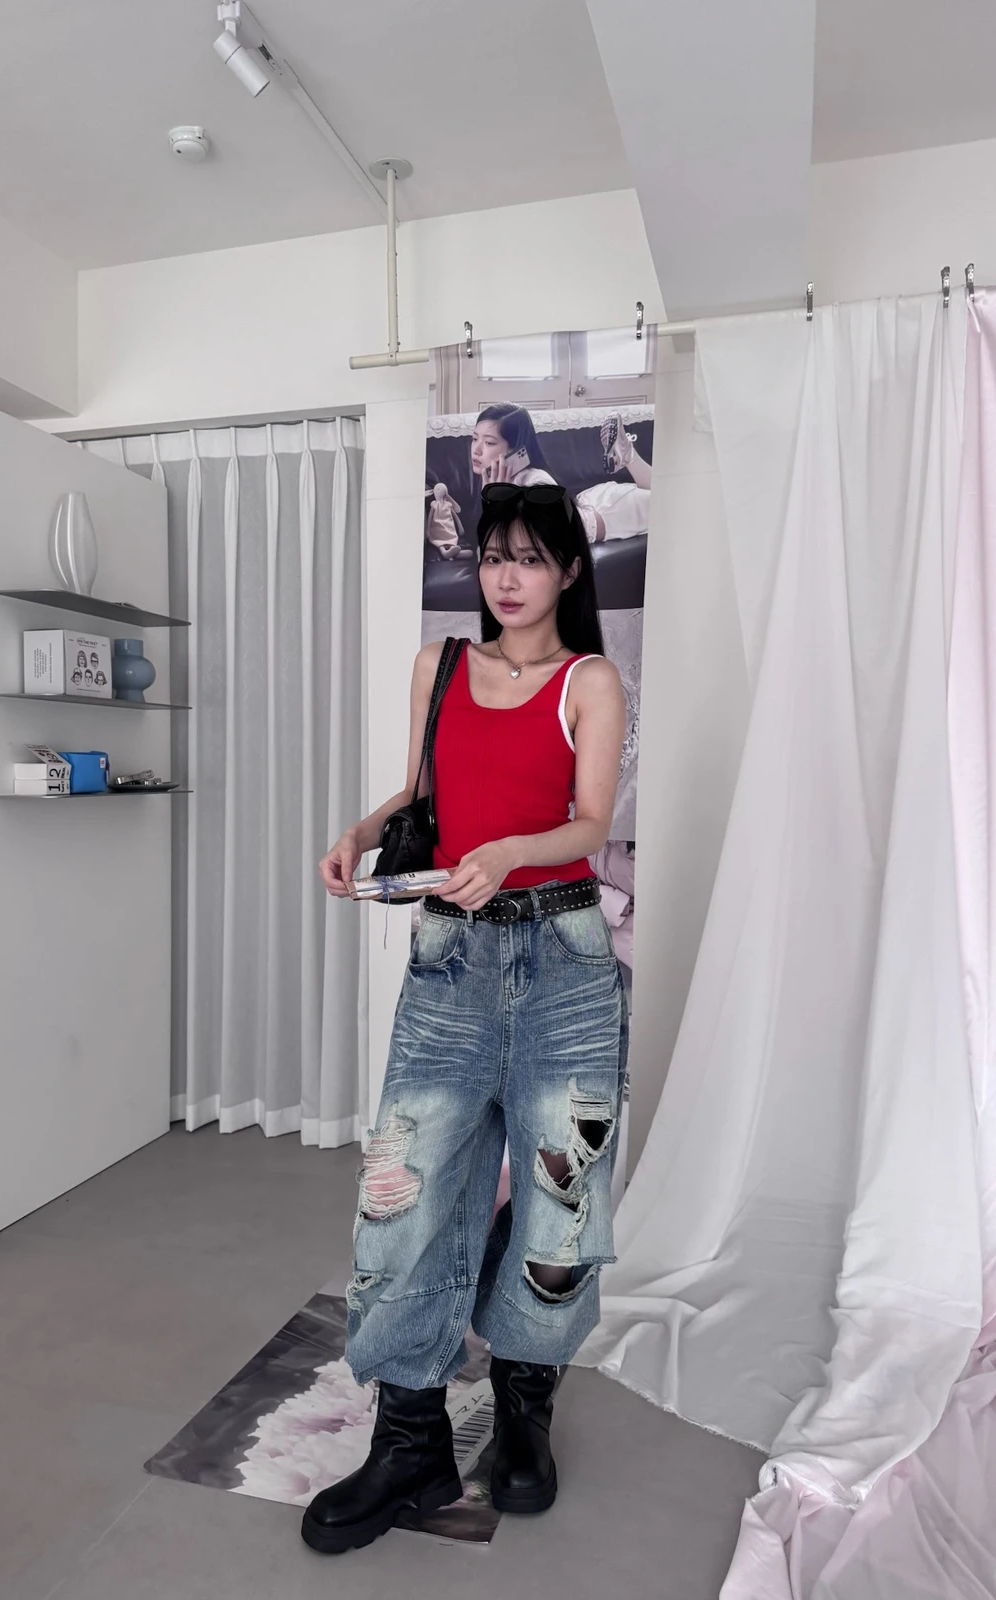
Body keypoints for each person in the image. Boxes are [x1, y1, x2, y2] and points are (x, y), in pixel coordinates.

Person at [306, 480, 629, 1555]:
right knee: (404, 1191)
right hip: (451, 956)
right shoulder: (438, 665)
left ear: (568, 572)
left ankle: (525, 1408)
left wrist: (511, 852)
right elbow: (419, 792)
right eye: (494, 556)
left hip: (564, 959)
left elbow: (590, 822)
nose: (507, 576)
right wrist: (358, 833)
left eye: (531, 558)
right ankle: (410, 1440)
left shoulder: (589, 680)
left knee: (559, 1196)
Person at [468, 403, 652, 543]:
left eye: (489, 442)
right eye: (474, 439)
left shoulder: (537, 482)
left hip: (611, 512)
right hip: (590, 502)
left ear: (516, 449)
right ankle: (626, 454)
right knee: (663, 498)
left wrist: (497, 503)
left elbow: (531, 542)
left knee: (666, 502)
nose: (476, 450)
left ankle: (629, 455)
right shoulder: (490, 482)